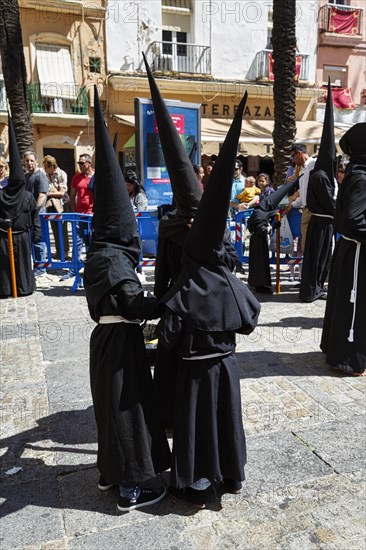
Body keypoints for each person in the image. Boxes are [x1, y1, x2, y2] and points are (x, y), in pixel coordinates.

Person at [156, 91, 261, 509]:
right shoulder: (176, 235)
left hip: (194, 347)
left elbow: (221, 264)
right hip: (216, 349)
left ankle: (202, 478)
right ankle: (230, 473)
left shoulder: (209, 251)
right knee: (223, 417)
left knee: (199, 417)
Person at [83, 86, 170, 512]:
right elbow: (136, 305)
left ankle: (107, 474)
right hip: (120, 346)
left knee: (108, 411)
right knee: (126, 413)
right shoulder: (115, 259)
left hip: (105, 344)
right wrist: (167, 298)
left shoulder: (98, 253)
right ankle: (130, 486)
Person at [142, 52, 238, 429]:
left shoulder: (211, 226)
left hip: (205, 308)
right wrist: (164, 300)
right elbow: (164, 268)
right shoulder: (171, 227)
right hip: (183, 306)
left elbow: (229, 261)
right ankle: (172, 413)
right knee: (175, 366)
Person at [320, 122, 366, 377]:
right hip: (357, 251)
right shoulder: (361, 176)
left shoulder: (356, 171)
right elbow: (352, 220)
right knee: (353, 305)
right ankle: (347, 358)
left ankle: (339, 351)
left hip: (353, 250)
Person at [299, 80, 336, 303]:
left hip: (323, 223)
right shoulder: (321, 176)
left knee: (321, 258)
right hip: (322, 223)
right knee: (316, 259)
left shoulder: (320, 174)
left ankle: (317, 288)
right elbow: (328, 202)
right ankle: (312, 290)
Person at [0, 114, 40, 298]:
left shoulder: (27, 196)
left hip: (22, 235)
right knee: (5, 264)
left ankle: (24, 288)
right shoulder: (1, 194)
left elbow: (34, 215)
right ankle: (7, 289)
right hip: (3, 235)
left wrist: (37, 234)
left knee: (23, 263)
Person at [248, 178, 300, 294]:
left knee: (261, 264)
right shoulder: (260, 213)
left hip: (259, 241)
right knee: (259, 265)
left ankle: (261, 284)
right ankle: (260, 285)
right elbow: (261, 228)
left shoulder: (261, 211)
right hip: (257, 241)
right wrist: (271, 227)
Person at [61, 154, 94, 280]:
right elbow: (72, 194)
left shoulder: (96, 176)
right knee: (77, 241)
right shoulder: (76, 177)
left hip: (92, 214)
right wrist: (74, 211)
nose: (79, 165)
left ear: (89, 163)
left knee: (92, 242)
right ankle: (73, 269)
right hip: (79, 214)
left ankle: (91, 269)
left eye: (82, 163)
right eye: (78, 163)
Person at [283, 143, 316, 252]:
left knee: (314, 246)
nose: (293, 160)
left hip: (316, 211)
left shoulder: (315, 165)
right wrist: (291, 205)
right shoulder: (302, 170)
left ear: (299, 154)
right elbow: (303, 196)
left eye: (293, 156)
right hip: (306, 210)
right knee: (306, 246)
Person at [24, 151, 49, 277]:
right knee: (32, 240)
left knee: (39, 240)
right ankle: (35, 265)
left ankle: (41, 268)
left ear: (36, 162)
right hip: (28, 215)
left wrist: (33, 210)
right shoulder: (26, 177)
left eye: (31, 160)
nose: (29, 163)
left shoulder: (41, 176)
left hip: (38, 215)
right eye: (27, 161)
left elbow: (42, 196)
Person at [42, 155, 69, 259]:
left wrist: (48, 194)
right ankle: (58, 251)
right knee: (54, 228)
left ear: (51, 166)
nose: (44, 169)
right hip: (51, 204)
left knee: (62, 228)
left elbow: (62, 193)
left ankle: (65, 251)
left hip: (62, 204)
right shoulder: (46, 174)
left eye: (46, 167)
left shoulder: (62, 174)